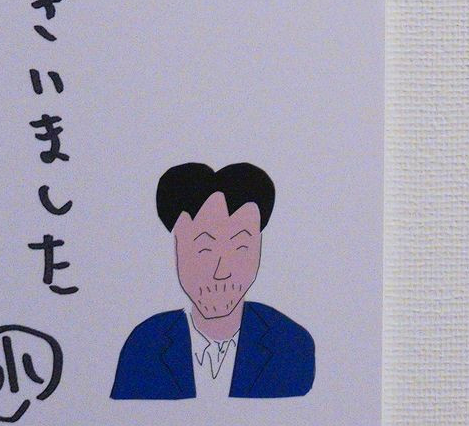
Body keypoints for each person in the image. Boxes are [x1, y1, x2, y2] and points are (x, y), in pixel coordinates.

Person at [108, 160, 316, 400]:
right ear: (177, 246)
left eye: (240, 247)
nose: (221, 271)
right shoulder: (146, 345)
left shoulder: (291, 344)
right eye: (204, 249)